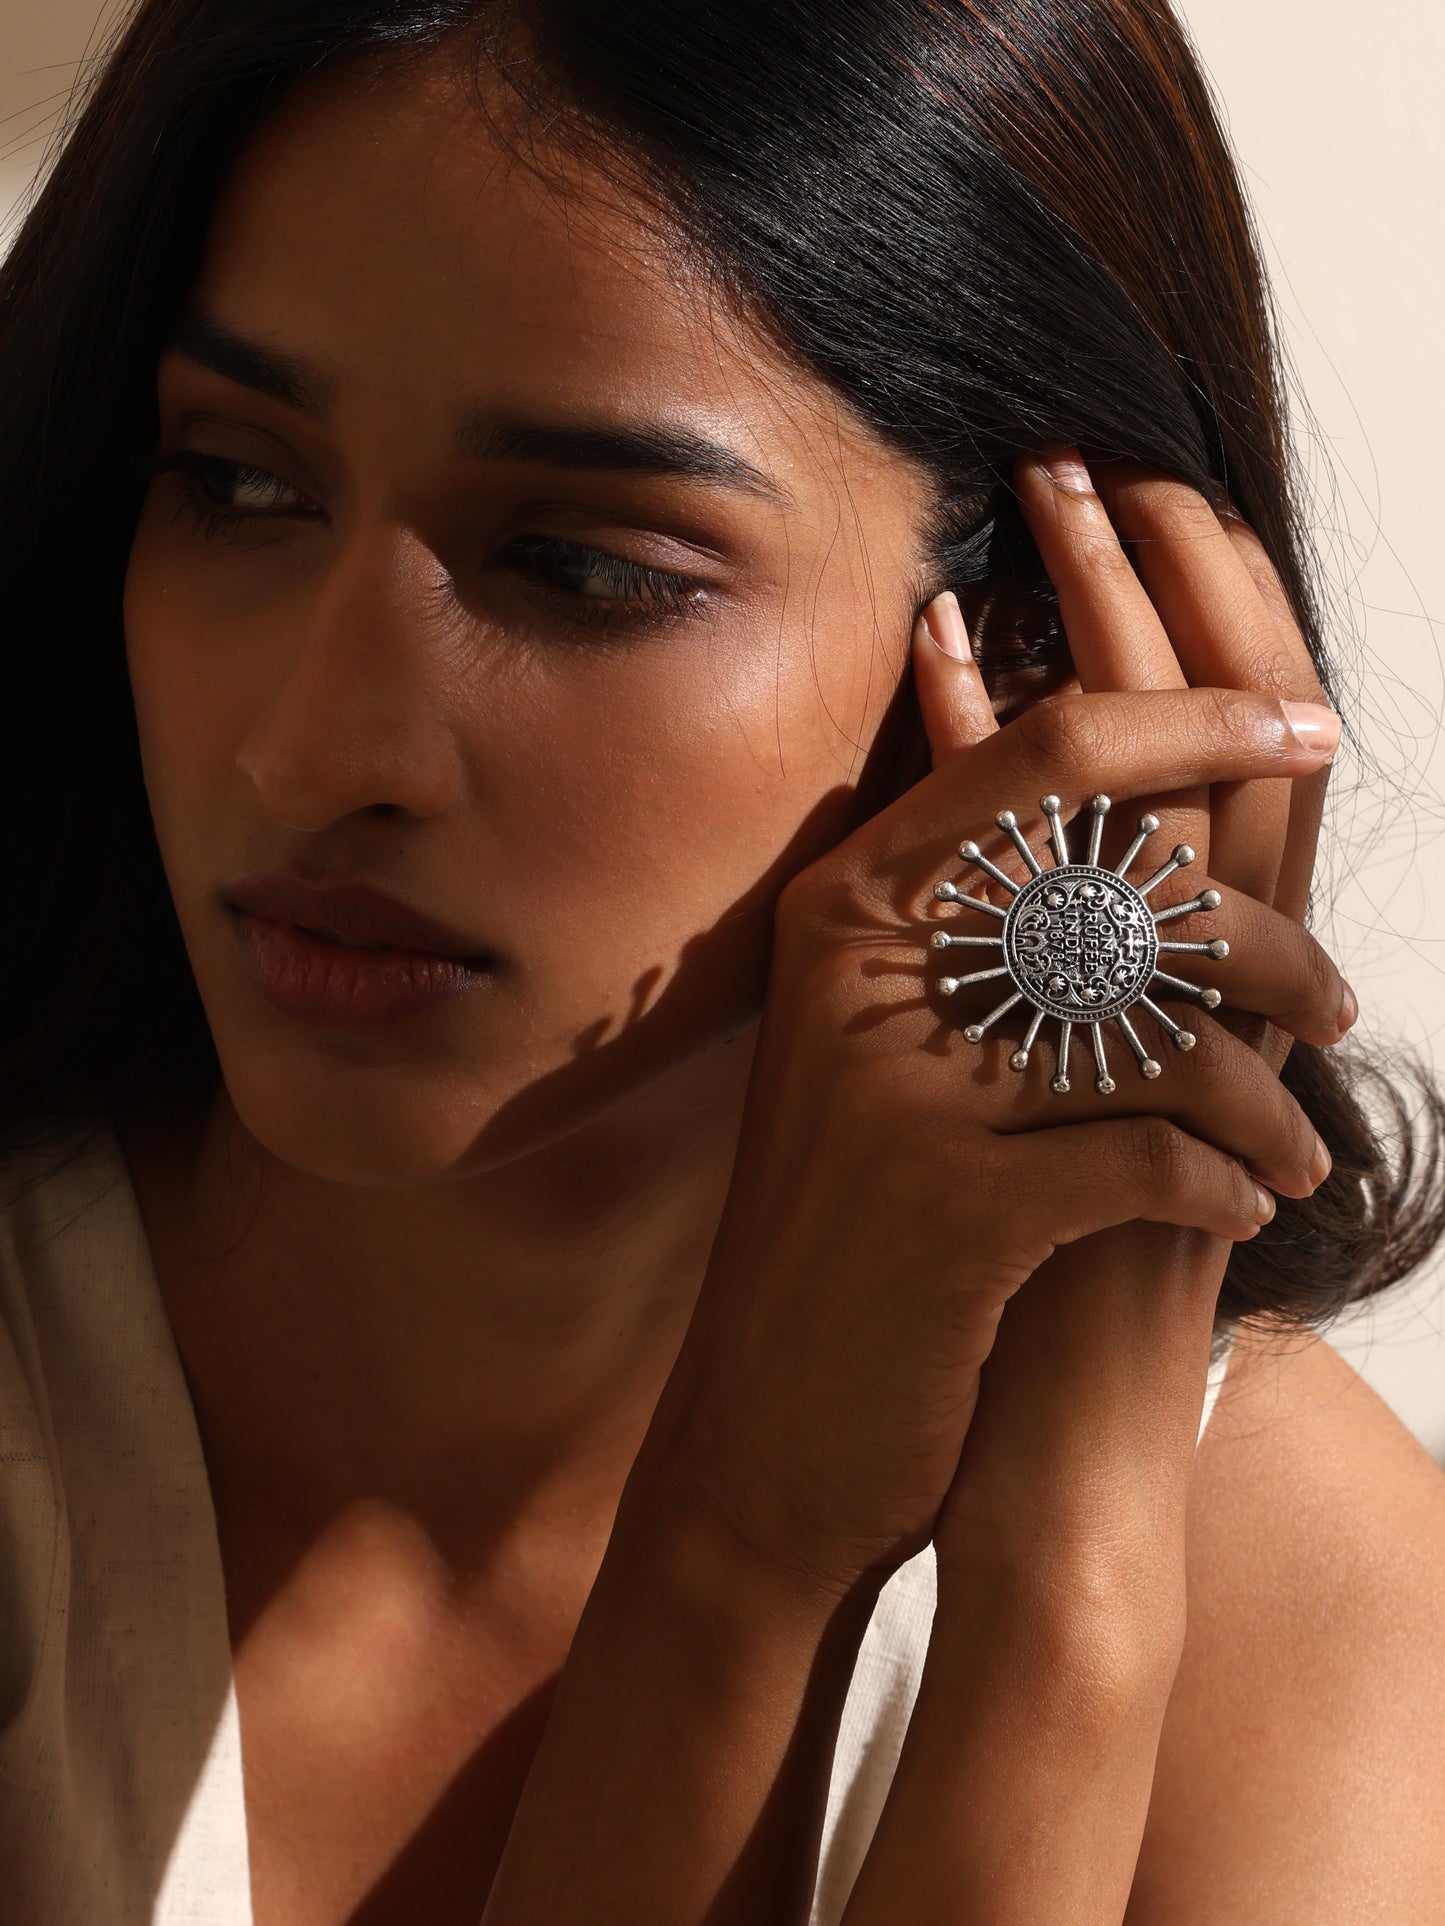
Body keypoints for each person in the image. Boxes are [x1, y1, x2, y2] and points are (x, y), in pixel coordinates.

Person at [2, 0, 1444, 1919]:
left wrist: (1066, 1590)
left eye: (583, 567)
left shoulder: (1310, 1612)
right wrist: (741, 1531)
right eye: (239, 484)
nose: (307, 752)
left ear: (1043, 652)